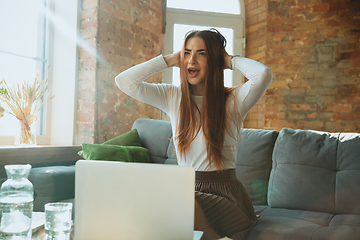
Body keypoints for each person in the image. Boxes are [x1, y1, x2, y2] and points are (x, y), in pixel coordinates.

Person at [115, 28, 272, 240]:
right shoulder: (173, 96)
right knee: (155, 204)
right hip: (185, 190)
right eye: (187, 53)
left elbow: (263, 74)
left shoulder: (234, 100)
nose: (191, 60)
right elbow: (124, 81)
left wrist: (227, 60)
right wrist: (168, 60)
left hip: (223, 193)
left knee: (173, 202)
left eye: (202, 53)